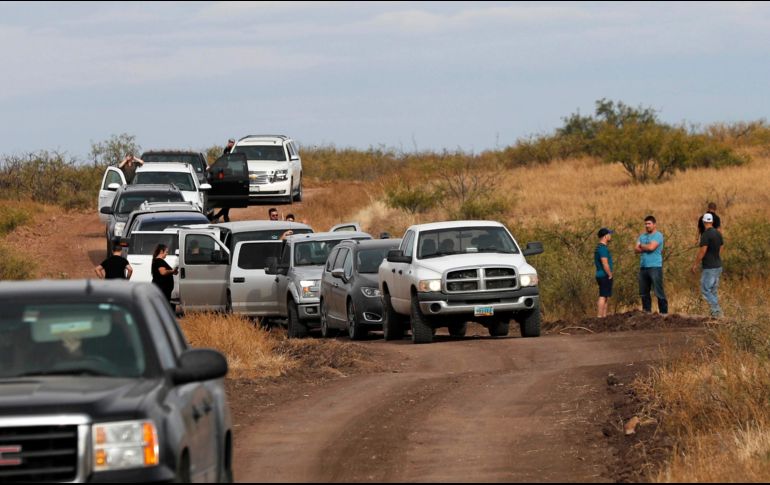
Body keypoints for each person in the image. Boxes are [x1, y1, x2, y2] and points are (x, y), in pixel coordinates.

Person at [691, 213, 724, 317]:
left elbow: (702, 251)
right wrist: (716, 256)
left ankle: (717, 311)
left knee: (705, 290)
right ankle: (715, 315)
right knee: (713, 291)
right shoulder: (718, 233)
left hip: (709, 267)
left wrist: (695, 264)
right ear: (712, 221)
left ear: (704, 222)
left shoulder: (705, 235)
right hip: (718, 266)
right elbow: (722, 246)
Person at [635, 215, 668, 314]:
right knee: (644, 292)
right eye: (645, 224)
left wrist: (642, 246)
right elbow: (636, 249)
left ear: (654, 224)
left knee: (658, 292)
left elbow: (651, 248)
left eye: (649, 223)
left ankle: (664, 314)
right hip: (643, 267)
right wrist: (644, 246)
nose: (647, 226)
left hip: (655, 267)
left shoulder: (658, 235)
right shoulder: (642, 236)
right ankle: (647, 313)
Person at [594, 228, 614, 318]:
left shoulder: (600, 247)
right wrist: (610, 274)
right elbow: (604, 263)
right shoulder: (602, 248)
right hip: (604, 275)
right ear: (606, 236)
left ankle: (604, 316)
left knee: (606, 296)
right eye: (609, 234)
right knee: (603, 295)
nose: (611, 236)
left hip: (601, 274)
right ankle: (599, 317)